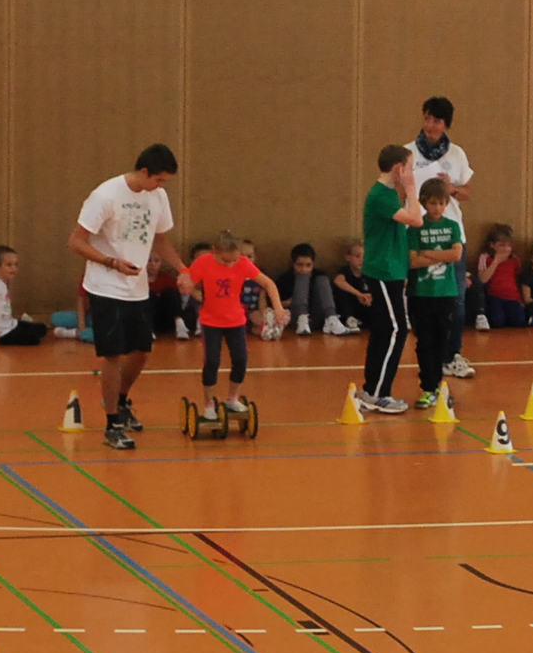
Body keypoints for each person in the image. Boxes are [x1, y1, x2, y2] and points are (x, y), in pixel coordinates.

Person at [67, 143, 179, 450]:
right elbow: (76, 242)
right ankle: (112, 425)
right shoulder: (106, 195)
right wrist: (112, 262)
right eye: (159, 179)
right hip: (106, 287)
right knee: (113, 355)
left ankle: (119, 400)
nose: (162, 186)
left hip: (137, 289)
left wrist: (183, 270)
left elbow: (160, 239)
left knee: (142, 351)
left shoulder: (158, 197)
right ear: (144, 172)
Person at [409, 97, 478, 377]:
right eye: (427, 118)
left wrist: (452, 189)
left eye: (436, 120)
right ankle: (429, 357)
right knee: (422, 301)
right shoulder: (409, 152)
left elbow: (468, 192)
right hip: (419, 230)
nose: (430, 125)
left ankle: (451, 355)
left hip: (450, 232)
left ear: (446, 124)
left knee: (455, 299)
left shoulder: (456, 154)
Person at [355, 145, 423, 415]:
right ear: (399, 169)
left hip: (391, 270)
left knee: (384, 330)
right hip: (383, 270)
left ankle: (371, 389)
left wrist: (405, 190)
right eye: (409, 168)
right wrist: (412, 188)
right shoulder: (381, 196)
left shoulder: (389, 195)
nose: (412, 173)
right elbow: (417, 219)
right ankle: (378, 393)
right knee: (396, 329)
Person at [182, 231, 274, 416]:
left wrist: (278, 309)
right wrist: (192, 291)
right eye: (226, 260)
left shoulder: (242, 263)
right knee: (212, 361)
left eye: (234, 260)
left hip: (235, 321)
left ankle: (232, 398)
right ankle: (209, 403)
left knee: (240, 360)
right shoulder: (203, 263)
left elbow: (268, 283)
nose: (230, 264)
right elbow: (188, 282)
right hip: (211, 322)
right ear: (215, 251)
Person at [408, 178, 466, 409]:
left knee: (442, 341)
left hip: (446, 292)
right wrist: (442, 254)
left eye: (442, 203)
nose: (437, 207)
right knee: (425, 341)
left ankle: (438, 385)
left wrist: (427, 253)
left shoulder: (452, 226)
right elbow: (412, 261)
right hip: (421, 293)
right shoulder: (416, 227)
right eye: (433, 203)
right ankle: (428, 387)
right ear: (424, 203)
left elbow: (456, 255)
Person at [0, 245, 48, 346]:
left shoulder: (2, 283)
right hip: (1, 333)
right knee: (34, 339)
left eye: (16, 265)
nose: (14, 268)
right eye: (9, 265)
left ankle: (25, 324)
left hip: (9, 325)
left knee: (41, 328)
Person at [471, 224, 528, 330]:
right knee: (497, 321)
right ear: (492, 245)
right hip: (494, 296)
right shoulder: (485, 257)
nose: (506, 249)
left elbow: (518, 280)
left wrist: (521, 299)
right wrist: (496, 261)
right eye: (501, 245)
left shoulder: (515, 260)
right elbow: (482, 279)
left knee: (519, 321)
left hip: (512, 297)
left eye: (509, 245)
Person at [281, 243, 335, 336]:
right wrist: (290, 301)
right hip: (295, 318)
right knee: (302, 279)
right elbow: (275, 305)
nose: (304, 269)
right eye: (300, 265)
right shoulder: (285, 279)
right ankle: (302, 319)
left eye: (308, 265)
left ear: (313, 264)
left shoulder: (319, 275)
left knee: (322, 280)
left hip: (317, 316)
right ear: (293, 264)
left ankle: (332, 318)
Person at [330, 239, 371, 338]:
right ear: (348, 257)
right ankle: (349, 319)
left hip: (364, 307)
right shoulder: (345, 271)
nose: (361, 260)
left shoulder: (368, 274)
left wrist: (369, 297)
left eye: (364, 256)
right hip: (349, 307)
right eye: (357, 256)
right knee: (342, 291)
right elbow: (338, 281)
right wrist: (358, 294)